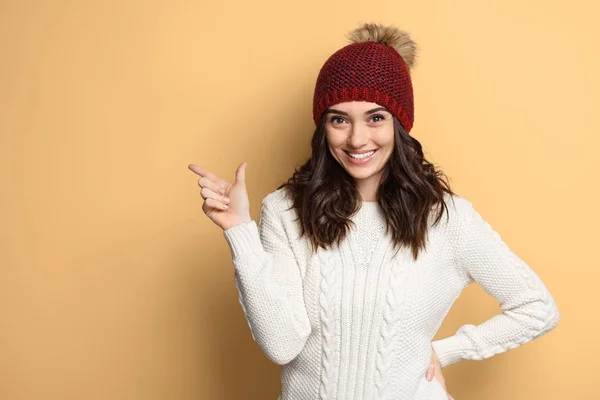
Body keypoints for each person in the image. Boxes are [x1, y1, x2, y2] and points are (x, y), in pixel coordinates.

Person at [188, 22, 560, 400]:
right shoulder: (284, 211)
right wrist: (239, 232)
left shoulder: (447, 219)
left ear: (399, 125)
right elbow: (283, 345)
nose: (357, 138)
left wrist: (445, 351)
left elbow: (536, 308)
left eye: (375, 118)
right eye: (339, 119)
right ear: (323, 127)